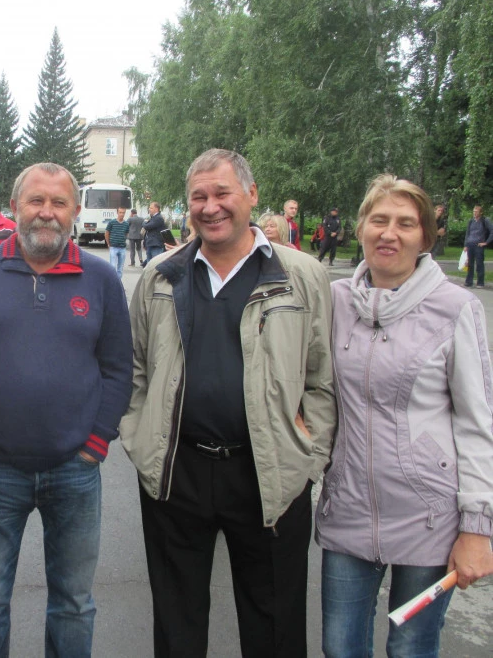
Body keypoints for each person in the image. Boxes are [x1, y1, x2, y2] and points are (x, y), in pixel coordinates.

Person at [120, 149, 335, 658]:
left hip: (269, 473)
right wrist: (138, 435)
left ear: (252, 196)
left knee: (276, 624)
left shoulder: (301, 275)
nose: (210, 207)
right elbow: (136, 369)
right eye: (199, 196)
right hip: (178, 471)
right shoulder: (160, 275)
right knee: (177, 622)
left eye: (222, 193)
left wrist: (309, 453)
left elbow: (321, 377)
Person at [0, 162, 133, 657]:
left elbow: (118, 369)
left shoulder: (100, 279)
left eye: (58, 203)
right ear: (14, 208)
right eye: (35, 201)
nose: (46, 213)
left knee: (73, 604)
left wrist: (96, 444)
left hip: (75, 469)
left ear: (74, 212)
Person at [316, 175, 493, 657]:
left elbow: (478, 424)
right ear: (360, 229)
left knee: (412, 647)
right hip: (349, 509)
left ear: (425, 237)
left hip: (429, 517)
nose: (389, 233)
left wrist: (478, 528)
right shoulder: (334, 303)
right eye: (379, 220)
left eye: (405, 223)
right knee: (340, 647)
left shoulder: (456, 308)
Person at [463, 204, 491, 288]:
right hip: (470, 244)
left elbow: (492, 231)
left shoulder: (485, 220)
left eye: (476, 211)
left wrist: (486, 242)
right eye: (473, 211)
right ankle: (469, 281)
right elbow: (468, 233)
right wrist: (465, 245)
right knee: (469, 264)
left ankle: (480, 282)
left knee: (479, 264)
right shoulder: (471, 221)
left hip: (479, 245)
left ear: (480, 212)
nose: (474, 213)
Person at [105, 206, 130, 277]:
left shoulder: (126, 224)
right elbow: (107, 233)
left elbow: (126, 233)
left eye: (123, 213)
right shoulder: (112, 222)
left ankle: (118, 285)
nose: (122, 214)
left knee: (120, 268)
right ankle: (112, 284)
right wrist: (108, 243)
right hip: (113, 247)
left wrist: (123, 239)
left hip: (122, 248)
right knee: (112, 267)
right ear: (117, 213)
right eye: (120, 212)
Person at [142, 201, 166, 266]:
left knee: (155, 265)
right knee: (149, 265)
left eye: (151, 208)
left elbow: (147, 226)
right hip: (150, 244)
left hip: (156, 245)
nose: (149, 209)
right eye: (149, 208)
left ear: (156, 209)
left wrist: (144, 222)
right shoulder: (153, 218)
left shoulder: (158, 218)